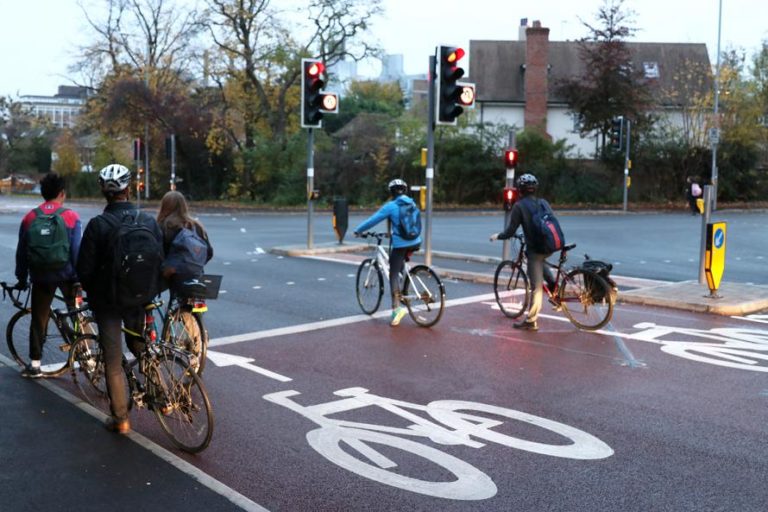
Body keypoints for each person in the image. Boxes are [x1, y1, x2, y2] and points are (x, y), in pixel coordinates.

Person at [76, 164, 164, 434]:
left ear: (104, 191)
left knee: (113, 361)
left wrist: (91, 292)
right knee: (140, 346)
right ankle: (160, 394)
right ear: (128, 189)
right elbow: (159, 257)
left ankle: (121, 419)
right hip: (141, 296)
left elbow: (85, 270)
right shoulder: (148, 221)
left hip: (109, 302)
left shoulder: (98, 225)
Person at [14, 172, 82, 378]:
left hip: (41, 276)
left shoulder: (30, 218)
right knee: (76, 311)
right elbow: (77, 250)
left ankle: (35, 364)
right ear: (62, 193)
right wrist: (80, 278)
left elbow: (21, 252)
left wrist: (21, 278)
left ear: (43, 194)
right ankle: (83, 350)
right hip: (67, 275)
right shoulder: (71, 216)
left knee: (38, 319)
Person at [489, 173, 556, 332]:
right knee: (542, 262)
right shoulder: (543, 202)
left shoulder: (519, 206)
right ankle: (554, 288)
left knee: (536, 287)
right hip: (550, 245)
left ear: (520, 190)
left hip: (535, 249)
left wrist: (497, 236)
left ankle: (531, 321)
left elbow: (510, 231)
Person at [353, 179, 422, 326]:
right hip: (415, 241)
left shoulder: (391, 206)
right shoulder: (412, 203)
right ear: (405, 190)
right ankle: (404, 290)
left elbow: (373, 220)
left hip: (401, 244)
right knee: (400, 265)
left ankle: (397, 309)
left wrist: (358, 230)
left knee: (393, 273)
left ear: (391, 192)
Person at [156, 190, 213, 291]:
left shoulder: (163, 226)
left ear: (164, 206)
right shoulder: (196, 226)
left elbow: (158, 253)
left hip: (172, 275)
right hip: (196, 275)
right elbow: (209, 252)